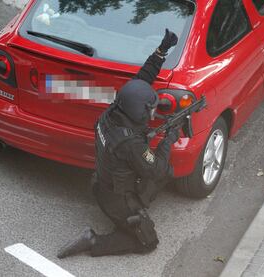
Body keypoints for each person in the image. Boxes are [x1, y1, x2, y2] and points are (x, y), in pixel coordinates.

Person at [57, 29, 179, 258]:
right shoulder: (130, 143)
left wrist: (161, 52)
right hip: (116, 200)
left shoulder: (114, 111)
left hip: (100, 185)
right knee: (148, 242)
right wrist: (169, 138)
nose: (152, 114)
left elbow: (140, 83)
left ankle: (134, 211)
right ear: (138, 112)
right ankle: (93, 241)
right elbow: (156, 167)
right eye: (150, 110)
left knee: (162, 172)